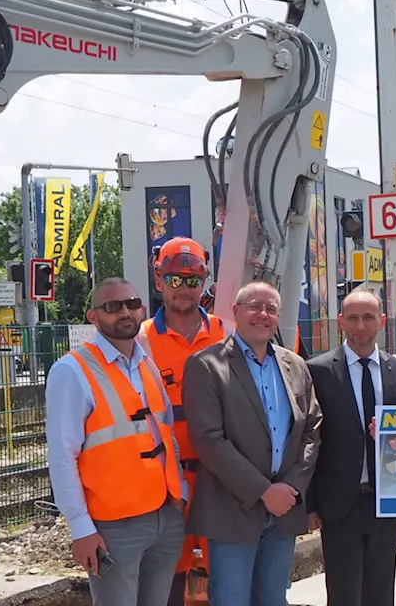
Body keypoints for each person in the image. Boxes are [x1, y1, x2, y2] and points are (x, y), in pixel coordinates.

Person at [45, 278, 187, 606]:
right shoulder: (72, 371)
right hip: (114, 528)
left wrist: (180, 494)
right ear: (93, 316)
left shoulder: (146, 363)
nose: (125, 312)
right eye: (112, 306)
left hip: (165, 516)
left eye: (132, 303)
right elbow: (62, 456)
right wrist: (80, 527)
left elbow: (166, 435)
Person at [181, 281, 322, 606]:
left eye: (271, 308)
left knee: (272, 600)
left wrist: (292, 487)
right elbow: (208, 440)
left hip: (284, 511)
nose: (263, 314)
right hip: (231, 511)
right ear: (235, 312)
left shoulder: (295, 366)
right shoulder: (206, 366)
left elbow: (312, 429)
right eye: (254, 307)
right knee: (231, 600)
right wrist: (263, 491)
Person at [135, 238, 226, 606]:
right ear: (158, 280)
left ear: (203, 282)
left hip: (219, 479)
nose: (183, 289)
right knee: (165, 583)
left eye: (192, 280)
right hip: (164, 485)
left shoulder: (226, 333)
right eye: (174, 280)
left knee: (227, 577)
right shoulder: (139, 340)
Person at [306, 287, 396, 606]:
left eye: (367, 318)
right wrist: (310, 504)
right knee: (343, 596)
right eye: (352, 318)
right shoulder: (318, 371)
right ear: (341, 322)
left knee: (381, 596)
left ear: (381, 320)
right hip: (338, 506)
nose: (360, 326)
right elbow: (309, 440)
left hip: (385, 503)